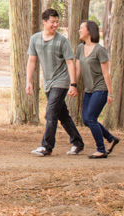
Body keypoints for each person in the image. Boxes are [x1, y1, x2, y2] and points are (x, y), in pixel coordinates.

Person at [26, 8, 84, 156]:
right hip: (48, 83)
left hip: (62, 81)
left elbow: (70, 63)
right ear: (44, 22)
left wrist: (73, 84)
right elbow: (32, 61)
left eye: (57, 22)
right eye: (52, 22)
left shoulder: (62, 40)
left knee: (51, 113)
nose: (56, 25)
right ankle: (78, 142)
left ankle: (46, 147)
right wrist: (28, 81)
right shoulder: (35, 39)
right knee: (62, 115)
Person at [75, 20, 120, 159]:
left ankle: (101, 149)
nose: (79, 30)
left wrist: (111, 93)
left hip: (100, 88)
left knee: (91, 118)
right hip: (88, 89)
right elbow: (77, 69)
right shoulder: (79, 48)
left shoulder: (100, 50)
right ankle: (111, 139)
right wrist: (72, 85)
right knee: (86, 120)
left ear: (89, 31)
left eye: (82, 28)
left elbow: (106, 73)